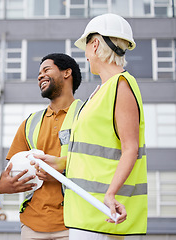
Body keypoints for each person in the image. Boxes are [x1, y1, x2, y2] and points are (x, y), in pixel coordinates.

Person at [38, 13, 147, 239]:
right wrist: (58, 163)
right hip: (86, 213)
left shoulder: (122, 85)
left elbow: (130, 149)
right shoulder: (99, 92)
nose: (86, 56)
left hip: (107, 215)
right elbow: (93, 153)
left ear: (95, 45)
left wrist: (111, 194)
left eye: (86, 47)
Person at [0, 53, 82, 240]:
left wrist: (62, 167)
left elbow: (99, 163)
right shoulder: (30, 123)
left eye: (46, 70)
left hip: (75, 223)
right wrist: (4, 186)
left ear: (67, 73)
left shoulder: (87, 115)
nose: (40, 76)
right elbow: (12, 171)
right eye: (39, 72)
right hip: (32, 225)